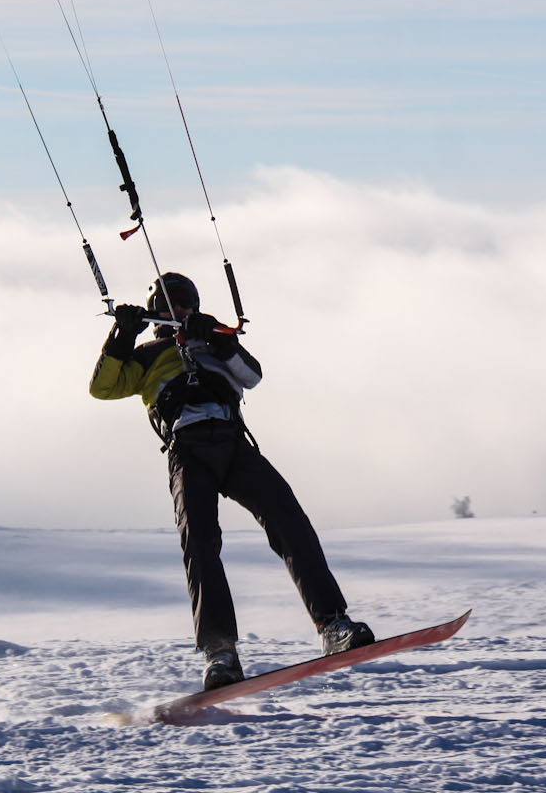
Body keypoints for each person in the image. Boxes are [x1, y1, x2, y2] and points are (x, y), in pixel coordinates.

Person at [89, 271, 373, 691]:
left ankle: (332, 624)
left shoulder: (213, 339)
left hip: (234, 444)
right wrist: (121, 336)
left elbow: (252, 376)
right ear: (155, 313)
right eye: (168, 304)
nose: (178, 309)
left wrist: (221, 341)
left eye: (184, 302)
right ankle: (219, 652)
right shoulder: (145, 356)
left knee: (290, 521)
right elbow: (102, 388)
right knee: (200, 545)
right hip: (187, 451)